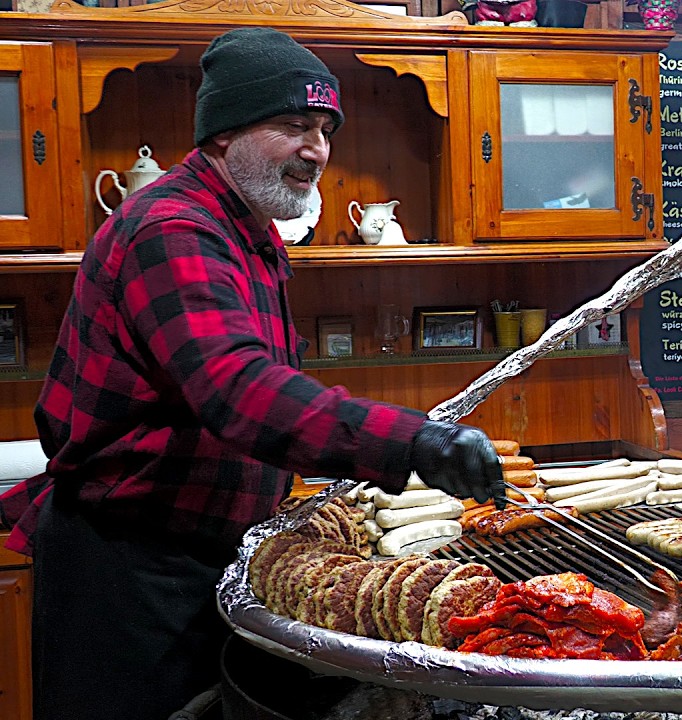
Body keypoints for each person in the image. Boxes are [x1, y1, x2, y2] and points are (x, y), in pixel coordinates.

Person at [0, 26, 505, 720]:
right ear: (221, 134)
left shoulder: (248, 227)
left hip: (196, 555)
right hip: (129, 569)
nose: (316, 150)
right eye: (293, 125)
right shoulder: (173, 229)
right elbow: (237, 387)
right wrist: (414, 440)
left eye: (325, 129)